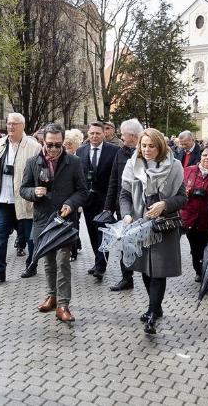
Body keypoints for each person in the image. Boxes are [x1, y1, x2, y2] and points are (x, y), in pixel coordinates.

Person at [120, 128, 187, 334]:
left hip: (163, 226)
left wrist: (165, 204)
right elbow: (124, 194)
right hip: (140, 224)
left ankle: (151, 312)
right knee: (145, 270)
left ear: (160, 147)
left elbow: (183, 197)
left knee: (158, 271)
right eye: (144, 145)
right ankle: (156, 307)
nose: (147, 150)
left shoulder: (174, 166)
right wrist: (126, 214)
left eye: (152, 146)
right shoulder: (132, 164)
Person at [20, 124, 88, 322]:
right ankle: (51, 296)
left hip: (64, 221)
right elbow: (23, 188)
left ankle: (63, 305)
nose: (54, 149)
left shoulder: (74, 162)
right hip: (43, 219)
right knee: (48, 262)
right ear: (43, 141)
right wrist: (34, 192)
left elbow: (83, 191)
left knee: (62, 261)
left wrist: (70, 203)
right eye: (50, 145)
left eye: (58, 145)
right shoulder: (33, 162)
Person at [0, 112, 42, 281]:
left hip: (24, 200)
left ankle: (32, 264)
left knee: (30, 237)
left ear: (22, 126)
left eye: (15, 124)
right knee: (1, 235)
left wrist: (36, 192)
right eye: (9, 123)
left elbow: (38, 174)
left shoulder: (33, 146)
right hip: (4, 199)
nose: (11, 127)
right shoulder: (2, 143)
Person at [104, 119, 144, 291]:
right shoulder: (120, 153)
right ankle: (127, 278)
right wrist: (108, 207)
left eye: (123, 134)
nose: (121, 136)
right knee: (125, 243)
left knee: (143, 244)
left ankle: (149, 276)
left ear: (133, 136)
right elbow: (114, 180)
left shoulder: (147, 152)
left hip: (144, 208)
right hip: (124, 207)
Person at [77, 122, 118, 279]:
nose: (94, 136)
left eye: (98, 133)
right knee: (92, 232)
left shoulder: (113, 151)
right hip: (88, 200)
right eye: (92, 133)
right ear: (88, 134)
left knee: (103, 232)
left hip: (106, 199)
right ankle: (97, 260)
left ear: (104, 134)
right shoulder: (81, 151)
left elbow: (115, 177)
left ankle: (101, 265)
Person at [181, 144, 208, 282]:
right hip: (190, 218)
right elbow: (179, 189)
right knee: (195, 250)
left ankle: (207, 274)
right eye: (204, 155)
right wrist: (184, 193)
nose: (207, 158)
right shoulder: (189, 171)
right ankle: (198, 271)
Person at [63, 128, 85, 260]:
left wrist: (81, 202)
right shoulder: (62, 157)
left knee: (74, 224)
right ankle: (74, 245)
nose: (66, 147)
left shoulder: (79, 158)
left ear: (76, 145)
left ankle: (74, 250)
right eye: (65, 144)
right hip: (65, 197)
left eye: (69, 144)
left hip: (76, 197)